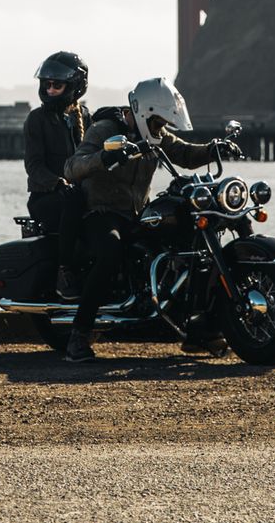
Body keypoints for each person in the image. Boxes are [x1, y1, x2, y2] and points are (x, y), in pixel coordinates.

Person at [60, 77, 226, 363]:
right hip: (101, 212)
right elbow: (72, 167)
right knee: (110, 250)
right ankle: (80, 334)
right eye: (158, 121)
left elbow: (185, 153)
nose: (162, 127)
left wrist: (214, 149)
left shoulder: (155, 133)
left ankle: (199, 329)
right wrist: (105, 156)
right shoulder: (105, 130)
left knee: (190, 247)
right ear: (143, 113)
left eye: (164, 122)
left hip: (138, 214)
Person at [22, 51, 91, 301]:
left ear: (75, 86)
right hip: (46, 198)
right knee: (72, 201)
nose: (50, 90)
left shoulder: (84, 116)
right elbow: (34, 166)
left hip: (79, 195)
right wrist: (57, 183)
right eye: (47, 84)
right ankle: (65, 272)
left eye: (57, 85)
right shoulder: (36, 120)